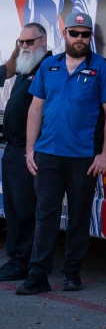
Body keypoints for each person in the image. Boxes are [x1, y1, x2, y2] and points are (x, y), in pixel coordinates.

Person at [18, 11, 106, 295]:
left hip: (83, 157)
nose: (79, 38)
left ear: (90, 37)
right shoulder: (48, 65)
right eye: (74, 33)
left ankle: (72, 273)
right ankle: (38, 275)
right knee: (45, 215)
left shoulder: (102, 68)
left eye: (84, 34)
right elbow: (35, 109)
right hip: (48, 154)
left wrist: (105, 154)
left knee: (78, 217)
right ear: (65, 34)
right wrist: (30, 150)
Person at [0, 24, 50, 282]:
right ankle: (15, 258)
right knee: (12, 209)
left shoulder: (49, 66)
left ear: (44, 41)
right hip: (12, 148)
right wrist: (18, 50)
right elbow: (6, 70)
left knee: (25, 209)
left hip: (29, 150)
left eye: (30, 42)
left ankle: (22, 261)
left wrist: (32, 149)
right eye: (21, 42)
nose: (25, 47)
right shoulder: (24, 64)